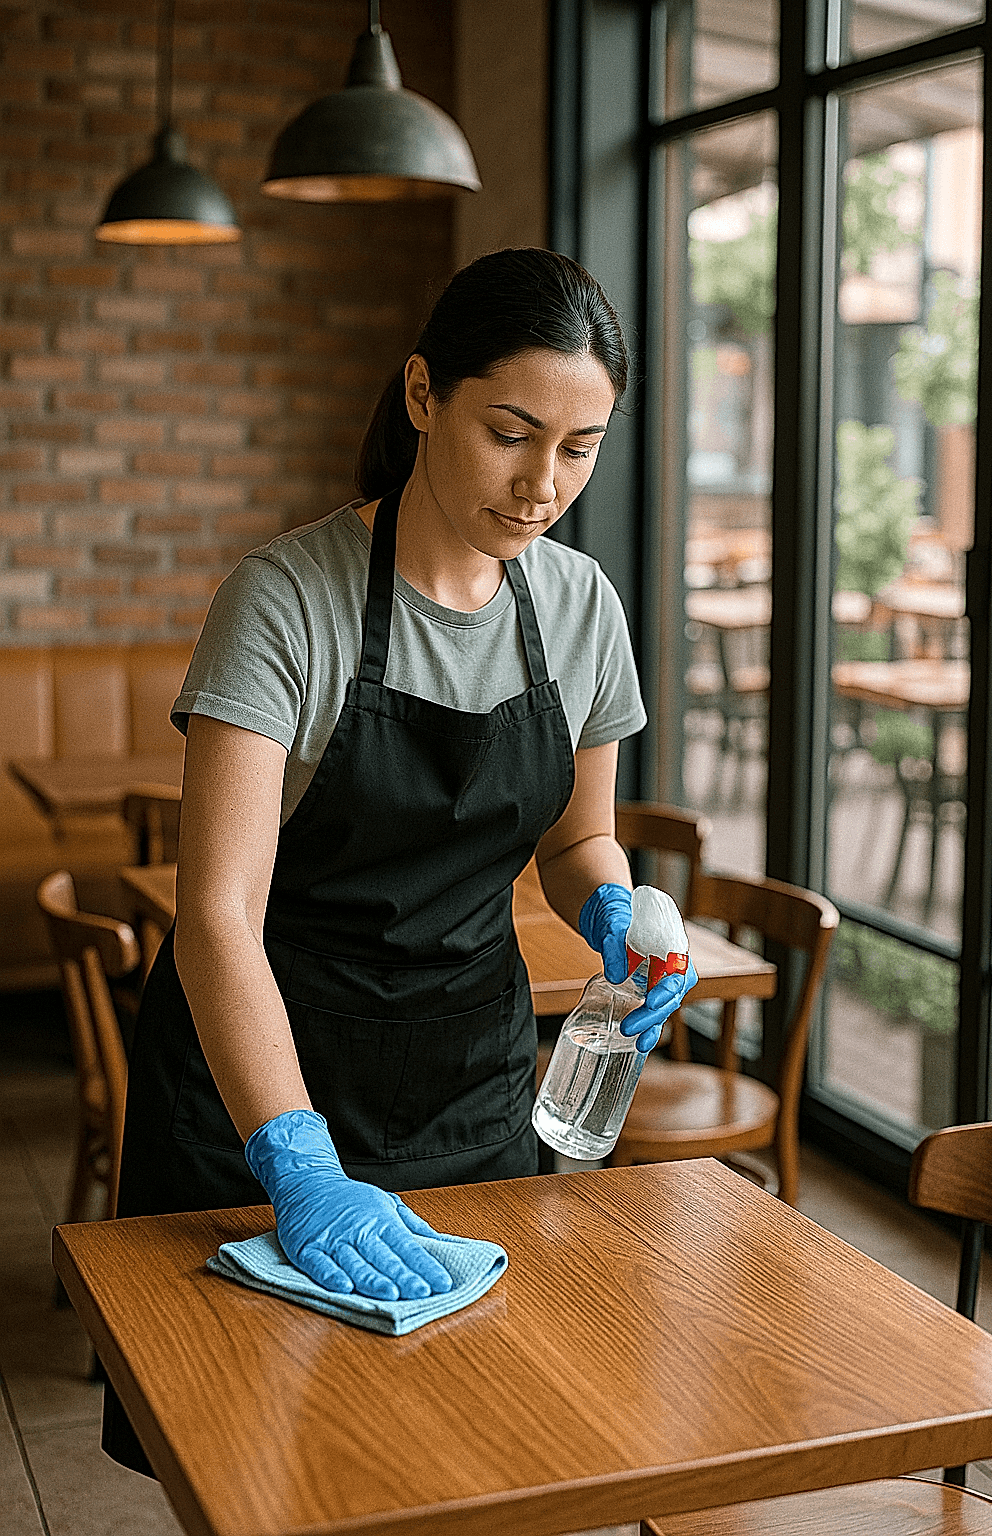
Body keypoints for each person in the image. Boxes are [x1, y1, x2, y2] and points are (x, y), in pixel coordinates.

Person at [103, 247, 698, 1474]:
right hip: (260, 1093)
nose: (543, 485)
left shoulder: (582, 608)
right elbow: (215, 916)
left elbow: (574, 833)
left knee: (468, 1439)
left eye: (579, 448)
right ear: (424, 395)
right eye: (510, 432)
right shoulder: (283, 600)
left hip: (468, 1086)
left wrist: (611, 916)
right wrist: (299, 1164)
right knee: (251, 1456)